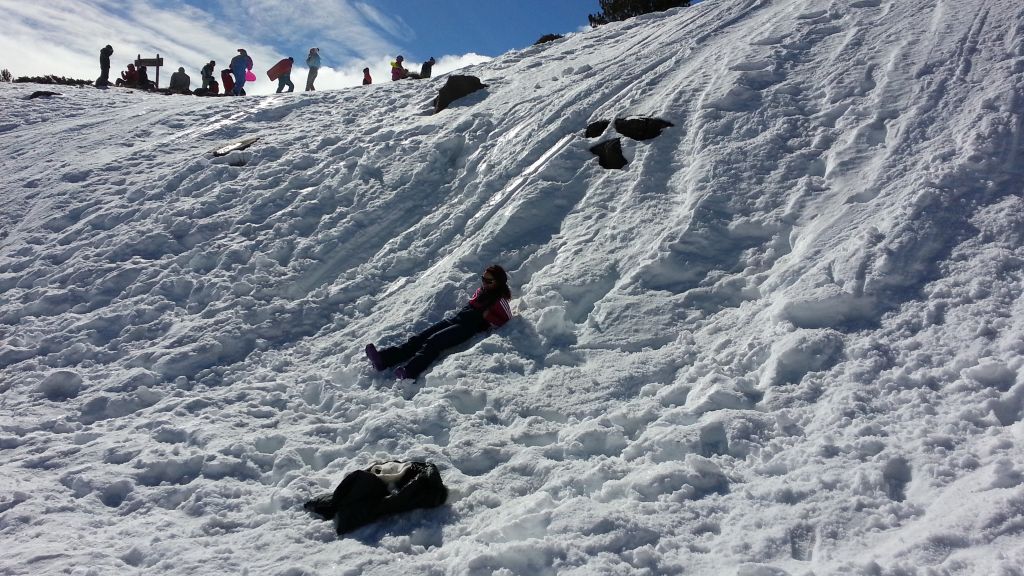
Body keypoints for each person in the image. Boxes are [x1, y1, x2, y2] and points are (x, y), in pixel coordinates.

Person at [365, 265, 513, 380]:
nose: (484, 282)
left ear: (499, 282)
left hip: (466, 328)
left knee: (433, 342)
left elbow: (507, 318)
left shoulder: (499, 299)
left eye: (489, 280)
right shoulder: (482, 291)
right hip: (456, 319)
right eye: (483, 278)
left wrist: (489, 317)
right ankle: (383, 359)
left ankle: (409, 371)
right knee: (419, 338)